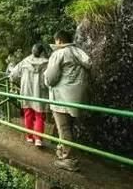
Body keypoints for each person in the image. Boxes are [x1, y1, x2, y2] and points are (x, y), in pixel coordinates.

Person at [44, 30, 91, 172]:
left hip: (62, 98)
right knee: (69, 127)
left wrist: (45, 80)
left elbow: (50, 79)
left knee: (63, 129)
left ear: (59, 41)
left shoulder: (59, 54)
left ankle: (68, 159)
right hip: (77, 98)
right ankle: (63, 151)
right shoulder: (79, 53)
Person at [8, 44, 49, 147]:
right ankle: (38, 139)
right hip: (40, 93)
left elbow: (13, 75)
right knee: (39, 116)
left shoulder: (25, 61)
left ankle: (29, 137)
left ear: (32, 51)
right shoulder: (47, 63)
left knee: (28, 114)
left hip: (26, 92)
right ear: (42, 52)